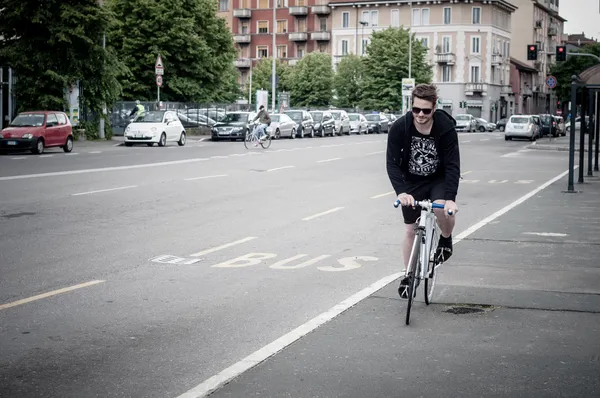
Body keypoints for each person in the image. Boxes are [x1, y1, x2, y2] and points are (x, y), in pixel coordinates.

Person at [385, 83, 460, 299]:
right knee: (410, 229)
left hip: (439, 178)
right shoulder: (400, 127)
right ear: (411, 107)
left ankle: (445, 239)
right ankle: (409, 275)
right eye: (416, 109)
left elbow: (454, 164)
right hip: (412, 181)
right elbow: (391, 163)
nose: (420, 115)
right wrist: (401, 192)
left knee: (441, 210)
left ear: (434, 108)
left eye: (425, 111)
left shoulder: (445, 127)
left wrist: (450, 199)